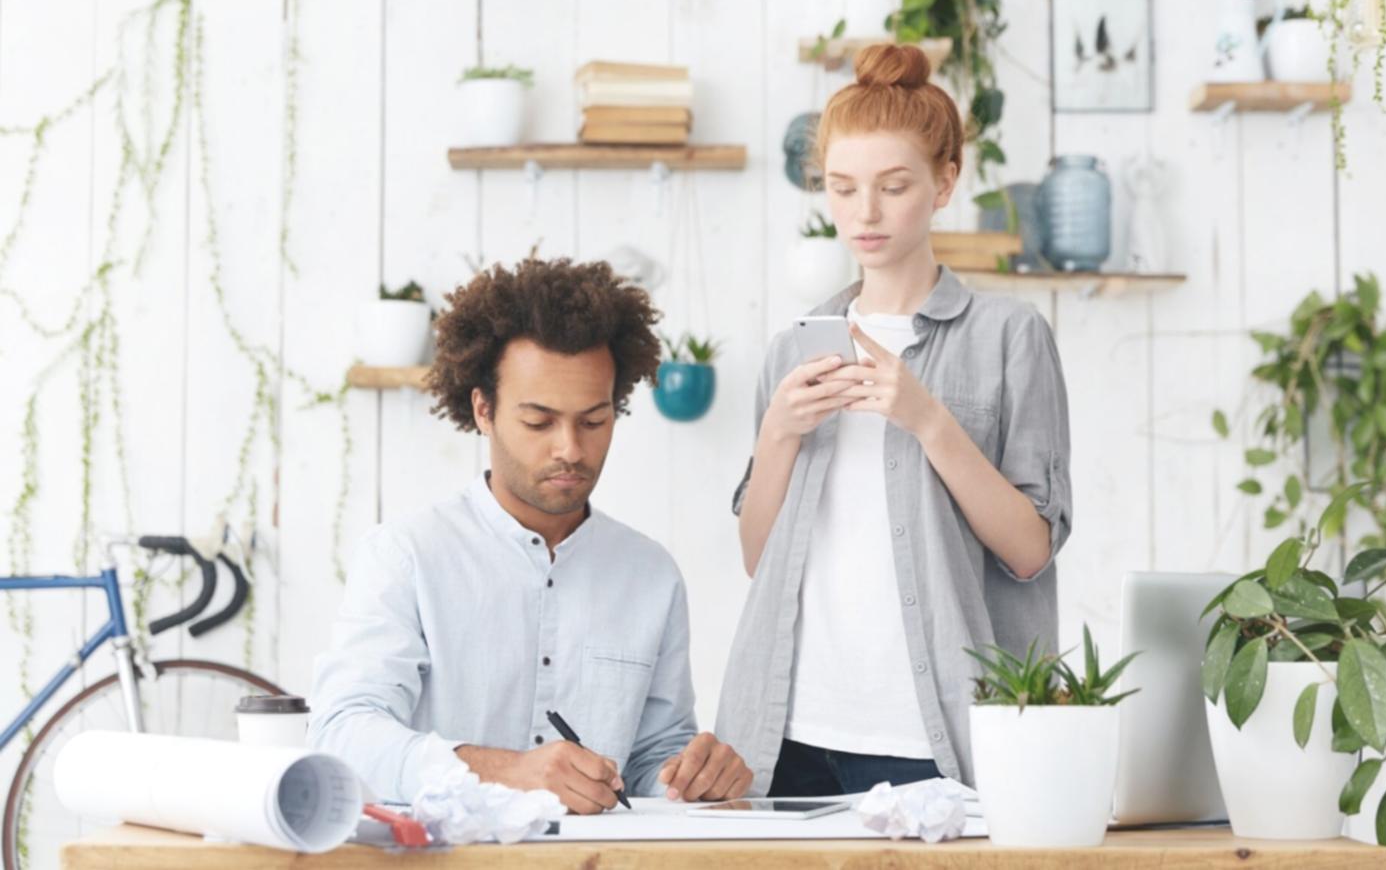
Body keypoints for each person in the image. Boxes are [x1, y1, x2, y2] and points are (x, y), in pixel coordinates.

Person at [715, 44, 1074, 796]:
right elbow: (757, 561)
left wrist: (928, 421)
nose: (865, 213)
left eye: (894, 185)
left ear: (945, 182)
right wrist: (779, 433)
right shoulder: (793, 349)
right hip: (787, 731)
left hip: (935, 734)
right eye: (842, 188)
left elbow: (1030, 551)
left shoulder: (1009, 337)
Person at [310, 257, 752, 811]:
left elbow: (650, 758)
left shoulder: (650, 575)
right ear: (484, 410)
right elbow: (342, 735)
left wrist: (692, 776)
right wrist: (504, 772)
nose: (570, 448)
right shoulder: (407, 557)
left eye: (593, 421)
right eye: (539, 422)